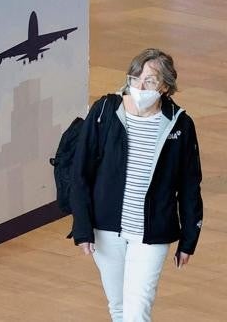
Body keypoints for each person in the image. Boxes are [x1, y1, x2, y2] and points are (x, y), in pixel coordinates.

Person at [71, 49, 203, 322]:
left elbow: (190, 186)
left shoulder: (181, 125)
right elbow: (80, 172)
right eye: (135, 78)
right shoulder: (105, 111)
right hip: (107, 229)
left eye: (150, 81)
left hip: (152, 232)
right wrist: (82, 227)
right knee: (118, 308)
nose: (140, 87)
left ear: (166, 86)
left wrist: (189, 238)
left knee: (136, 312)